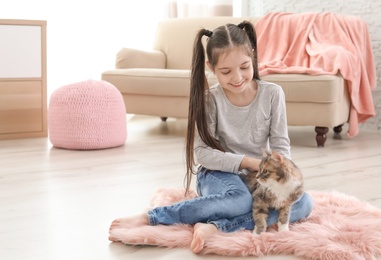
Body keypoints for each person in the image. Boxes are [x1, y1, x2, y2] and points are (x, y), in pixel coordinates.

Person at [109, 21, 314, 254]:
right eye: (226, 72)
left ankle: (217, 228)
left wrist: (279, 170)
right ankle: (152, 217)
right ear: (211, 67)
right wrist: (247, 162)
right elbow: (202, 154)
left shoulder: (273, 94)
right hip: (218, 173)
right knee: (240, 200)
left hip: (259, 176)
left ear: (253, 58)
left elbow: (280, 145)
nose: (237, 78)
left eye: (244, 67)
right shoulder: (211, 99)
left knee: (304, 202)